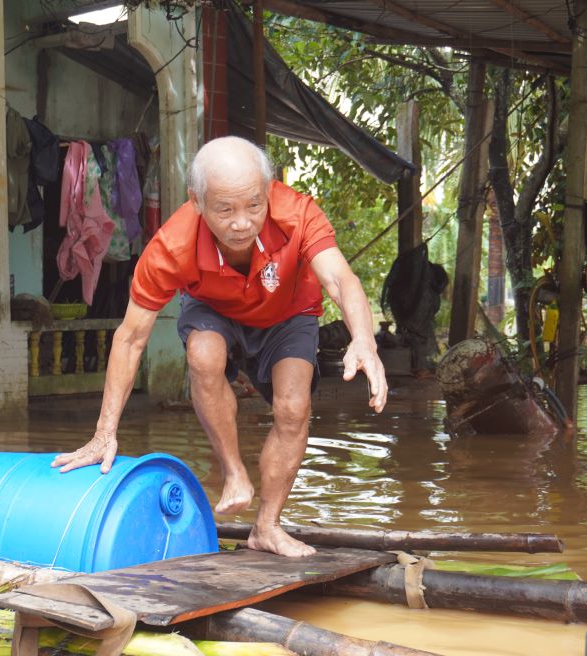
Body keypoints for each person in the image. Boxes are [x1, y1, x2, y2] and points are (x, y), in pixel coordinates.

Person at [52, 136, 388, 557]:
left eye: (253, 206)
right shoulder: (172, 245)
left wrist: (364, 340)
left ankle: (266, 527)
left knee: (293, 405)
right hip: (213, 307)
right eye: (224, 209)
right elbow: (131, 337)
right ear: (197, 201)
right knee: (203, 355)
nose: (242, 223)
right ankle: (233, 473)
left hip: (288, 313)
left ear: (268, 193)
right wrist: (105, 433)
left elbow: (340, 279)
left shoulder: (298, 213)